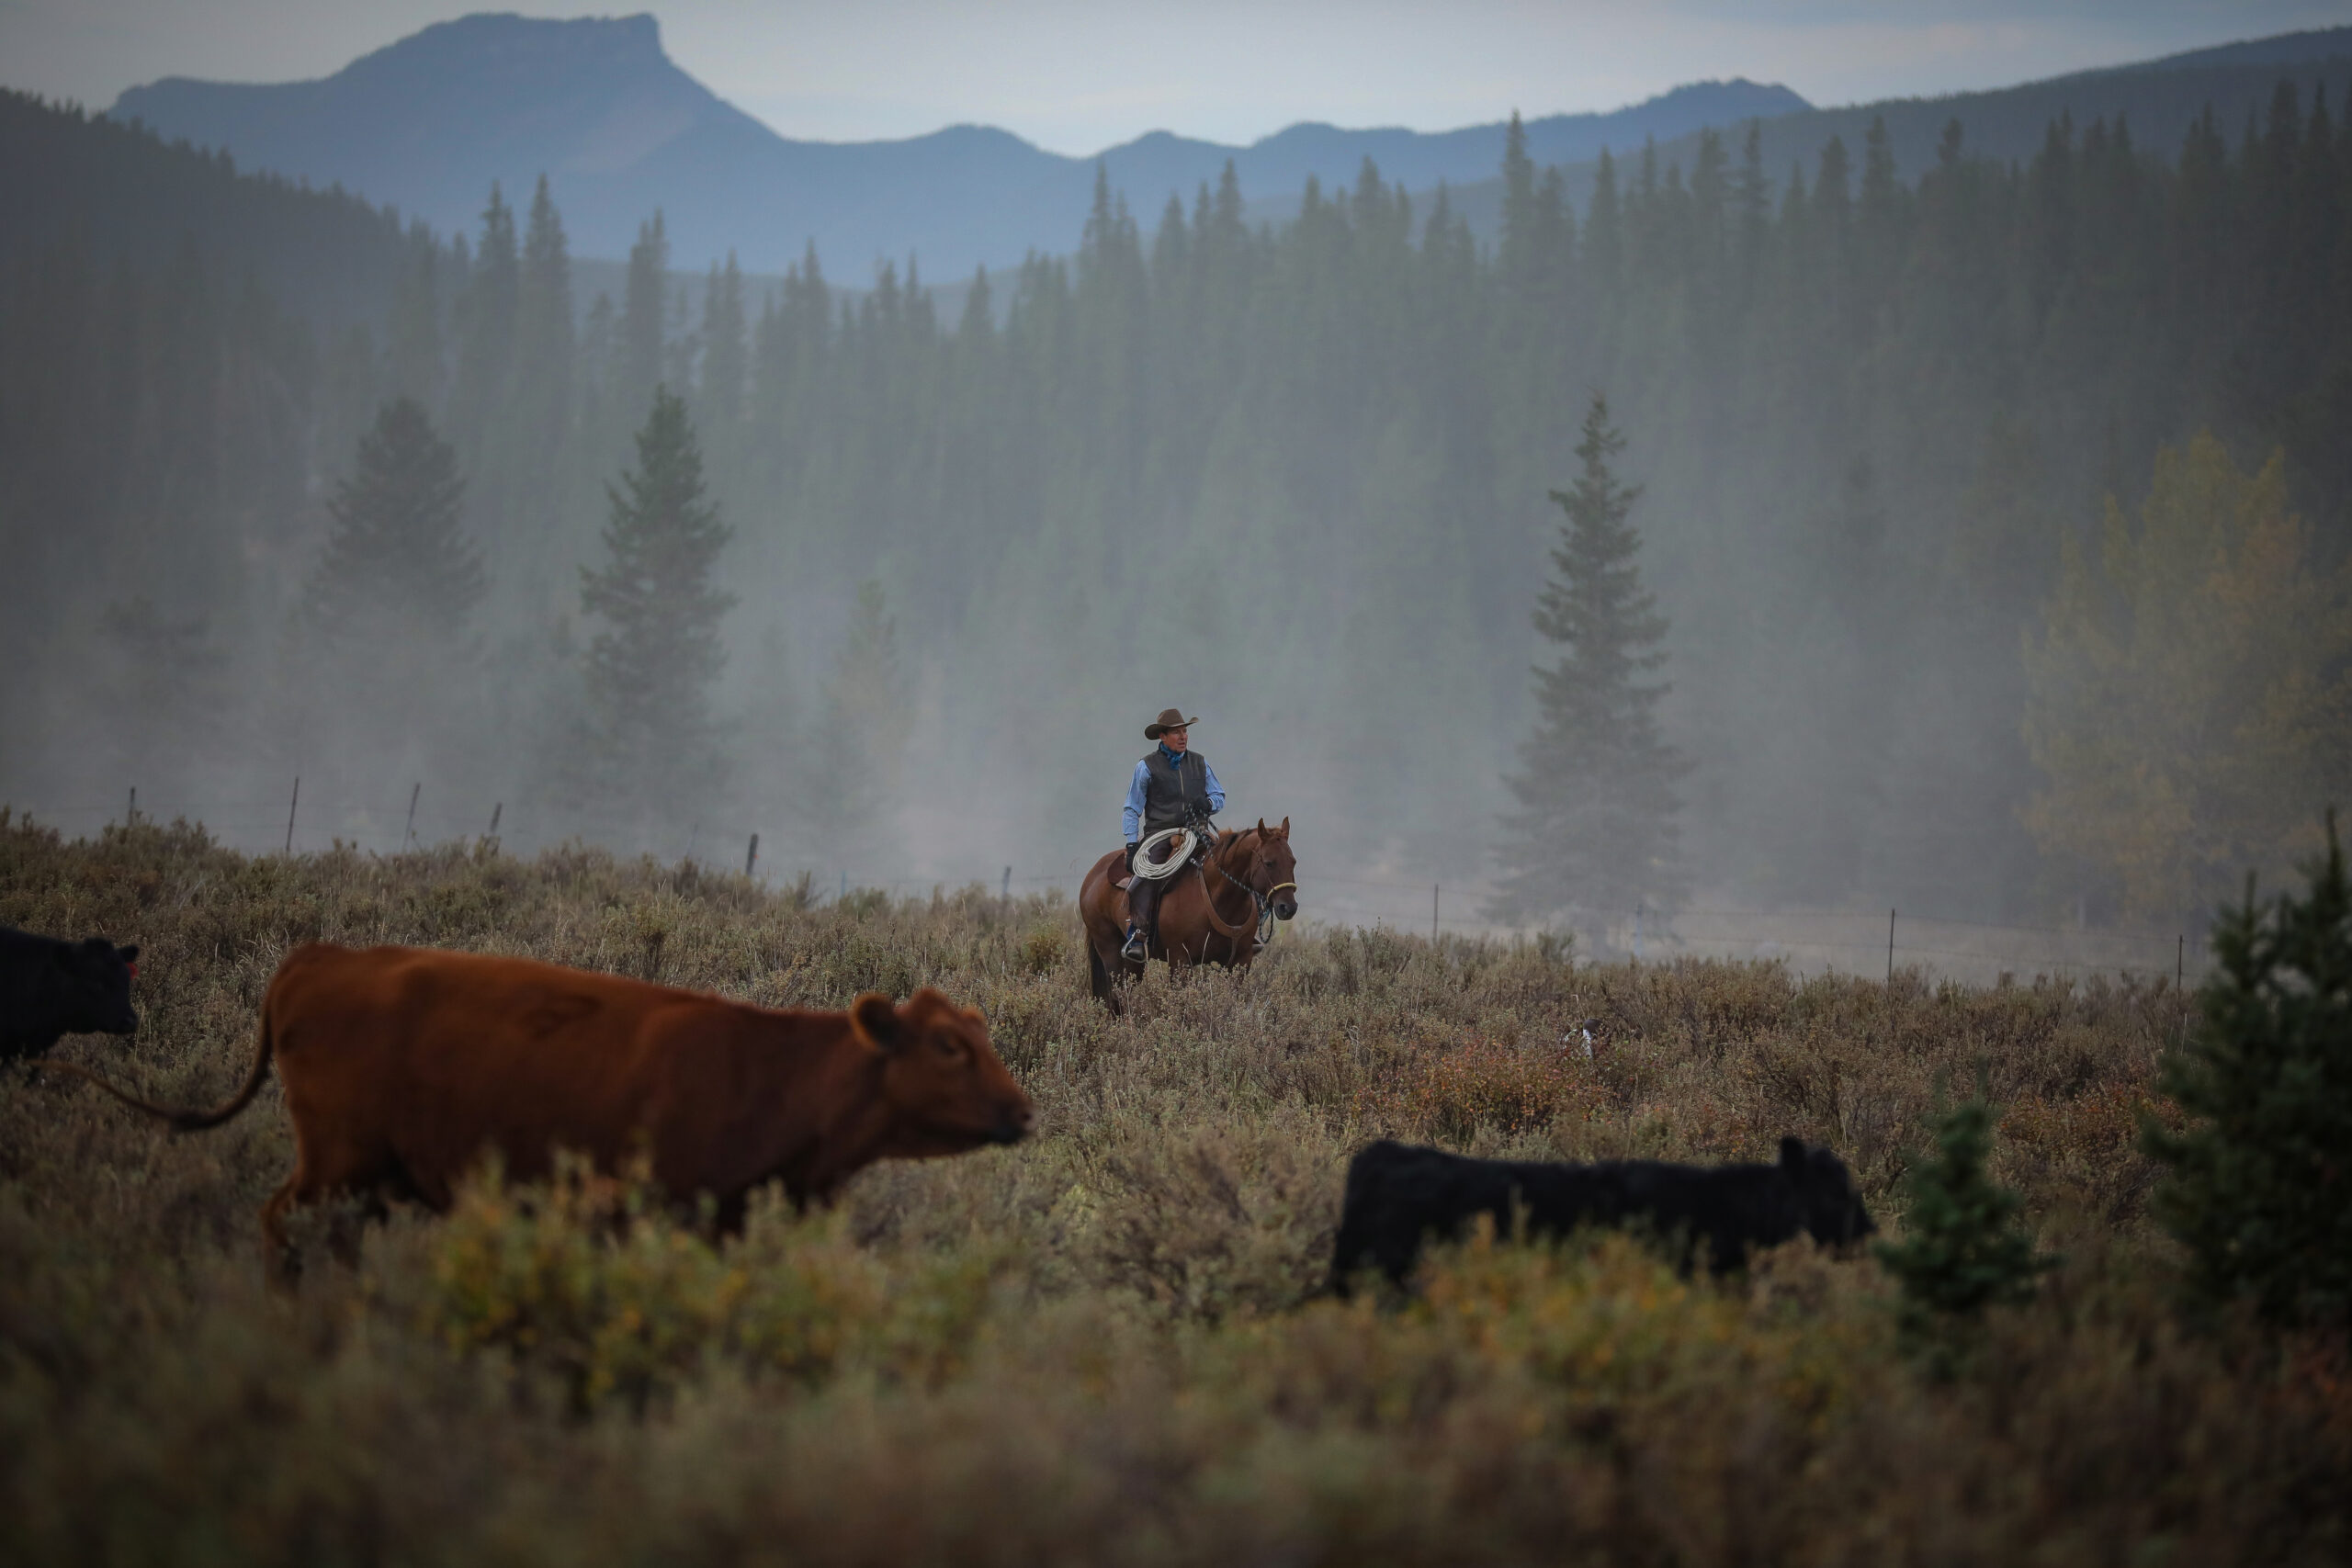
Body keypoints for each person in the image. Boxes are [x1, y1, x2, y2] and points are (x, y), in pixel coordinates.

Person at [1121, 707, 1226, 961]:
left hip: (1197, 833)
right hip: (1160, 835)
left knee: (1230, 863)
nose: (1183, 737)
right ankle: (1138, 935)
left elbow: (1218, 795)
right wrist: (1132, 843)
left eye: (1185, 731)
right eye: (1177, 732)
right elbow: (1131, 807)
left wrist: (1208, 805)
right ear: (1163, 737)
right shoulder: (1145, 767)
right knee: (1145, 878)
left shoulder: (1201, 763)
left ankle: (1243, 933)